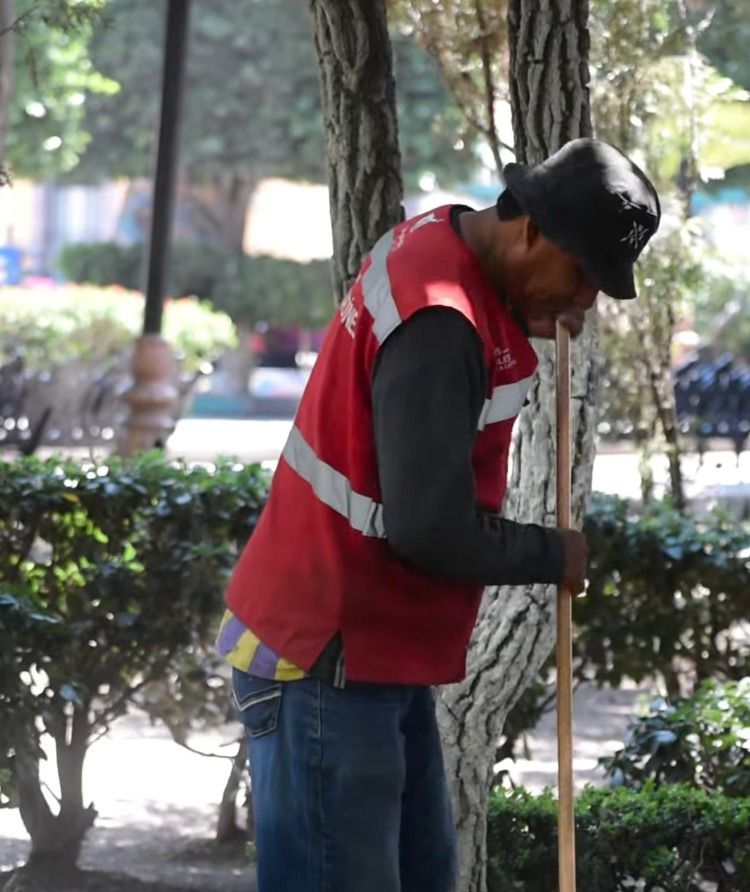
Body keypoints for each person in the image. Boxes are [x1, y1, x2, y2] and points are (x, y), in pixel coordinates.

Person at [216, 138, 660, 892]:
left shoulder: (444, 239)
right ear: (529, 232)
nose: (585, 302)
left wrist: (530, 314)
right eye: (582, 275)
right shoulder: (439, 324)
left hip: (365, 652)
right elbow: (431, 529)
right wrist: (556, 555)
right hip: (325, 653)